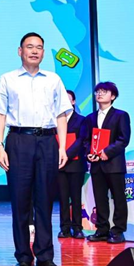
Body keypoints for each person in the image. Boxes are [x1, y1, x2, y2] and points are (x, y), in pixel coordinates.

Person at [0, 33, 71, 266]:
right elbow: (0, 115)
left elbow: (61, 115)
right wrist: (0, 146)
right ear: (20, 51)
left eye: (39, 47)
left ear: (43, 53)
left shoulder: (53, 79)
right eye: (29, 47)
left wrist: (62, 147)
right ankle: (23, 257)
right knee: (20, 201)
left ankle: (45, 257)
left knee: (45, 200)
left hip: (47, 141)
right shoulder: (7, 79)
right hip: (18, 140)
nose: (34, 51)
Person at [82, 82, 131, 244]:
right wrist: (89, 153)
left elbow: (123, 139)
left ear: (113, 96)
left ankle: (118, 231)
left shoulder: (121, 115)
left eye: (104, 91)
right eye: (98, 91)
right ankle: (102, 229)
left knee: (118, 198)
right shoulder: (90, 118)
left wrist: (106, 152)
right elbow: (86, 140)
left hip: (114, 164)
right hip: (97, 165)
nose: (100, 94)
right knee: (100, 199)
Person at [57, 90, 86, 239]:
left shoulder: (81, 120)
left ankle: (77, 228)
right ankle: (64, 228)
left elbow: (81, 140)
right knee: (63, 198)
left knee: (76, 197)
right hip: (59, 165)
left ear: (73, 102)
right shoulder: (54, 120)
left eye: (68, 99)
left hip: (75, 163)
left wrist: (66, 155)